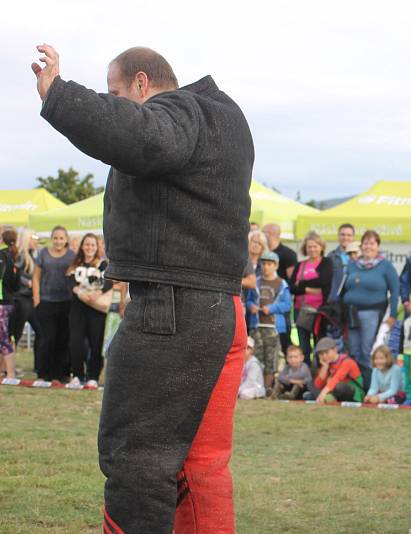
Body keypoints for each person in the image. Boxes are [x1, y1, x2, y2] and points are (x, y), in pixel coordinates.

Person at [33, 44, 253, 532]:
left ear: (140, 82)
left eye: (116, 94)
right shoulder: (226, 118)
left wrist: (61, 96)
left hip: (172, 310)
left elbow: (143, 136)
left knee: (137, 459)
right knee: (202, 463)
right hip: (220, 308)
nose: (114, 104)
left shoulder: (178, 109)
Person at [341, 230, 399, 389]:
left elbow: (395, 291)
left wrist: (393, 314)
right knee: (353, 350)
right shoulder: (352, 265)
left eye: (372, 243)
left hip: (372, 313)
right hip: (351, 313)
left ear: (378, 246)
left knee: (367, 351)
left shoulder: (385, 266)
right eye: (365, 243)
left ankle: (370, 388)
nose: (368, 246)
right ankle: (355, 387)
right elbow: (343, 288)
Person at [66, 233, 112, 389]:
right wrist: (80, 293)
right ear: (82, 246)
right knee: (76, 342)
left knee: (96, 342)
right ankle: (77, 375)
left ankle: (93, 377)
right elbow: (69, 281)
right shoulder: (75, 263)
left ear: (97, 247)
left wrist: (98, 293)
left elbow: (110, 281)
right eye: (87, 244)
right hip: (78, 308)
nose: (90, 247)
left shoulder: (103, 264)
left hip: (96, 309)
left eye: (93, 245)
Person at [32, 225, 75, 382]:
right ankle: (44, 373)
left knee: (63, 339)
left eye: (61, 238)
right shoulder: (43, 254)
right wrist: (36, 300)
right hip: (46, 302)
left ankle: (61, 374)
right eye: (56, 238)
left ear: (66, 240)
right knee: (47, 338)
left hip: (66, 302)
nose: (58, 241)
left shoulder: (72, 256)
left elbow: (75, 277)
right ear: (52, 239)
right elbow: (35, 278)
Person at [247, 250, 292, 393]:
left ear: (276, 266)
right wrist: (251, 307)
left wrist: (272, 308)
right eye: (264, 264)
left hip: (273, 327)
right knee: (256, 357)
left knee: (270, 360)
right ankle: (255, 387)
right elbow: (248, 300)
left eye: (269, 264)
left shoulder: (282, 283)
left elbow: (287, 305)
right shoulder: (256, 281)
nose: (266, 267)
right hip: (256, 325)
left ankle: (267, 389)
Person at [289, 231, 332, 364]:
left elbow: (324, 282)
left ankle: (319, 373)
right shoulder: (300, 265)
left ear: (321, 247)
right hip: (300, 310)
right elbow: (292, 288)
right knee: (304, 345)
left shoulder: (327, 262)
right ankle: (306, 374)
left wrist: (302, 285)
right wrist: (311, 288)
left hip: (319, 311)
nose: (312, 249)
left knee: (320, 345)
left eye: (315, 246)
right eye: (309, 246)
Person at [264, 223, 298, 353]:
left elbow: (292, 281)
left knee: (284, 338)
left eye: (264, 232)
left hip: (280, 303)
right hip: (263, 302)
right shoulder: (264, 252)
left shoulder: (288, 254)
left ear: (270, 233)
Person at [10, 229, 40, 368]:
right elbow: (14, 273)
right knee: (16, 333)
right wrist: (28, 282)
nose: (37, 240)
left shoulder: (33, 255)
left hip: (30, 299)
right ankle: (8, 367)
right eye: (34, 237)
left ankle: (39, 365)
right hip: (21, 299)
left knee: (40, 331)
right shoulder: (21, 256)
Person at [309, 336, 365, 403]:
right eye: (321, 354)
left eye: (327, 352)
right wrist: (325, 367)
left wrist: (323, 393)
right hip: (333, 390)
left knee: (339, 386)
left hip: (354, 393)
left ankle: (326, 398)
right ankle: (326, 398)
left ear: (335, 350)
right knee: (310, 383)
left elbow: (337, 378)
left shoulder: (347, 361)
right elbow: (317, 385)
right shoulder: (328, 363)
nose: (324, 356)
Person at [0, 230, 20, 379]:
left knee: (4, 338)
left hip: (3, 302)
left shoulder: (3, 255)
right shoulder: (11, 256)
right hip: (9, 300)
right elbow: (16, 284)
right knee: (7, 337)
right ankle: (7, 371)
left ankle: (11, 374)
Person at [327, 223, 355, 301]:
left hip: (354, 300)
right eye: (343, 235)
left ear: (353, 238)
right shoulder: (331, 256)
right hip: (335, 300)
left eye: (349, 235)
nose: (345, 237)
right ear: (338, 237)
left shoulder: (360, 257)